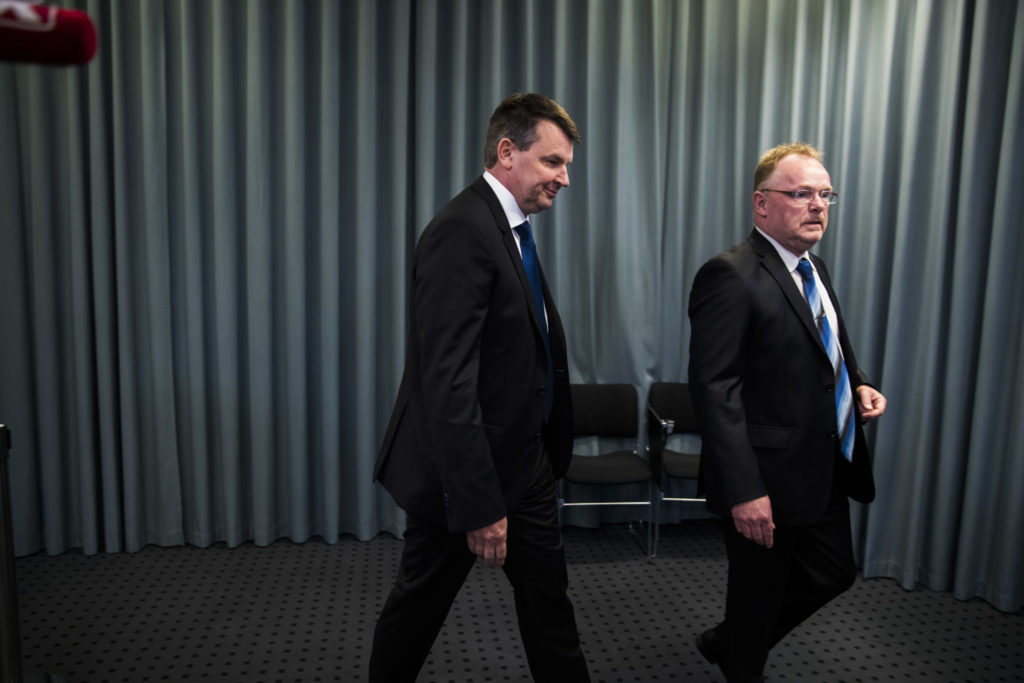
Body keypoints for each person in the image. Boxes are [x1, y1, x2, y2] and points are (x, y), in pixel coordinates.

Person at [369, 93, 591, 682]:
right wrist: (480, 505)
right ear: (507, 151)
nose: (565, 178)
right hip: (466, 474)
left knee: (550, 608)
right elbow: (447, 382)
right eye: (552, 162)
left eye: (567, 165)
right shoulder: (463, 230)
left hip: (526, 461)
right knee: (417, 612)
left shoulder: (511, 229)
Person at [687, 142, 887, 682]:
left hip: (822, 466)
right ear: (762, 203)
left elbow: (829, 351)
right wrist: (744, 490)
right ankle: (739, 651)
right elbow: (714, 389)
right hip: (763, 479)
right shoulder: (729, 274)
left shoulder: (814, 268)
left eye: (825, 195)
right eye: (800, 194)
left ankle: (728, 641)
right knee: (756, 601)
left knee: (834, 573)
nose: (817, 205)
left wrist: (860, 384)